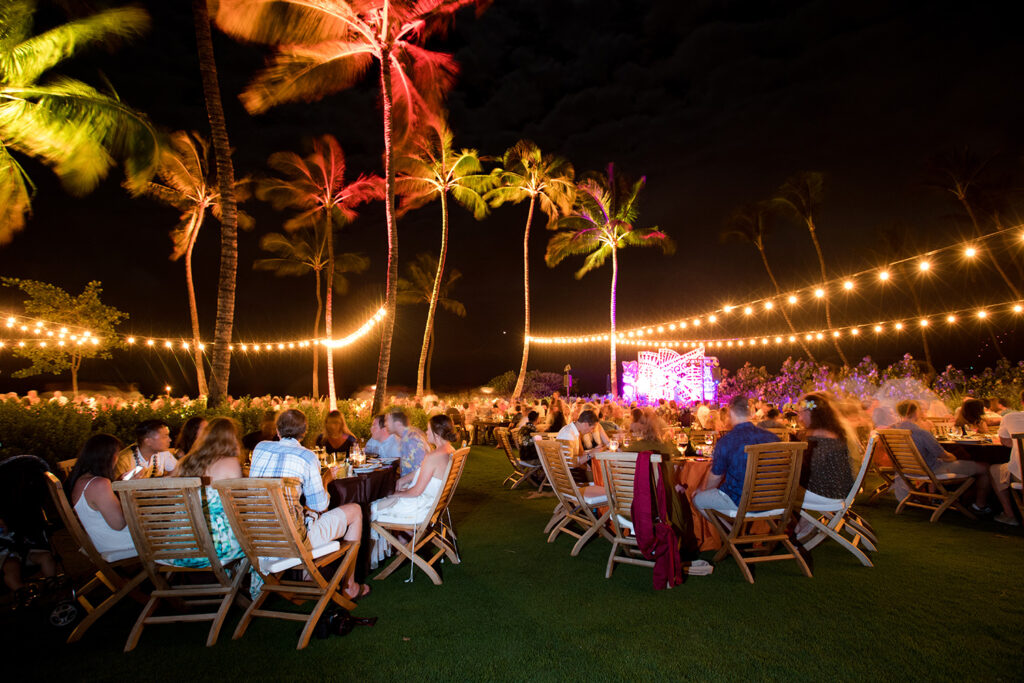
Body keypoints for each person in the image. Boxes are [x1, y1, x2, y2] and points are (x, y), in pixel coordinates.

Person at [249, 409, 368, 600]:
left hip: (258, 539)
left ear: (278, 431)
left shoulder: (260, 448)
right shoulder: (306, 456)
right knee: (355, 511)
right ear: (303, 433)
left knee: (303, 513)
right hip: (292, 542)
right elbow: (320, 506)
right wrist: (326, 479)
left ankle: (308, 574)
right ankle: (350, 587)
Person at [369, 415, 456, 566]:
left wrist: (394, 494)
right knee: (388, 497)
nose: (426, 433)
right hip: (434, 505)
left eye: (428, 429)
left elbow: (416, 492)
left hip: (419, 508)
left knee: (372, 508)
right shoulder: (450, 450)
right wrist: (403, 481)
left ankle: (384, 553)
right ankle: (401, 544)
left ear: (436, 434)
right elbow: (422, 471)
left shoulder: (433, 457)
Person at [168, 418, 246, 568]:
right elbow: (238, 504)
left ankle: (229, 578)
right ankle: (249, 583)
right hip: (215, 549)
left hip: (178, 548)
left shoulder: (186, 461)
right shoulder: (230, 463)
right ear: (232, 439)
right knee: (258, 540)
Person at [893, 400, 994, 515]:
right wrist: (954, 457)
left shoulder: (894, 431)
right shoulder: (921, 433)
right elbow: (943, 455)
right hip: (932, 470)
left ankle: (938, 497)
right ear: (916, 412)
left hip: (907, 470)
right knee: (985, 467)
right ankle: (980, 506)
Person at [693, 395, 779, 513]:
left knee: (698, 499)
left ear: (731, 413)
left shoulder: (727, 441)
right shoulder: (772, 438)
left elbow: (716, 477)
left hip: (740, 501)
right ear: (750, 413)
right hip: (773, 500)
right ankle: (737, 525)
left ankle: (731, 526)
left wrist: (705, 491)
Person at [67, 434, 136, 557]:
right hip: (116, 543)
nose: (118, 459)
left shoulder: (82, 479)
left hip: (101, 540)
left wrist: (119, 484)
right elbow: (119, 524)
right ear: (108, 457)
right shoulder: (99, 484)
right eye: (117, 455)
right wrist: (128, 491)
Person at [795, 393, 855, 501]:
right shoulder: (833, 432)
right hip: (841, 490)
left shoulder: (817, 437)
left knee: (783, 489)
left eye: (801, 413)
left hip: (825, 493)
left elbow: (805, 470)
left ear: (810, 413)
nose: (800, 418)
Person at [991, 391, 1024, 525]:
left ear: (1021, 402)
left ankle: (1009, 515)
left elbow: (1006, 442)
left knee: (994, 469)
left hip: (1021, 474)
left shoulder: (1011, 417)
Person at [113, 419, 179, 480]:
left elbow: (177, 472)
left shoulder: (163, 453)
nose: (170, 440)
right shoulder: (124, 460)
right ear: (148, 441)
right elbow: (117, 485)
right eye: (165, 436)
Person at [386, 409, 430, 477]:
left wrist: (403, 481)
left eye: (388, 420)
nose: (385, 424)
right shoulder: (406, 437)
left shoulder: (411, 439)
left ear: (398, 423)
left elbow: (421, 470)